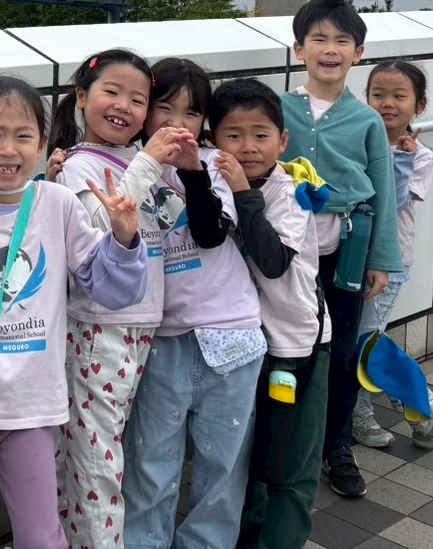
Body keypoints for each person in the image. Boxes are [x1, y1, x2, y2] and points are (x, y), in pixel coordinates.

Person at [0, 74, 149, 549]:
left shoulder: (57, 204)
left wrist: (123, 238)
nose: (8, 149)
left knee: (40, 534)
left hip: (33, 405)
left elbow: (111, 289)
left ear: (41, 144)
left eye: (23, 136)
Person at [122, 58, 267, 549]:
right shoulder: (129, 165)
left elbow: (209, 234)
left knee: (222, 467)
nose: (176, 123)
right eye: (164, 108)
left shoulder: (216, 163)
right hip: (160, 337)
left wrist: (193, 173)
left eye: (191, 112)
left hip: (231, 332)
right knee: (150, 464)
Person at [45, 49, 167, 548]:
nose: (123, 106)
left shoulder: (135, 158)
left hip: (138, 326)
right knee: (97, 462)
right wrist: (149, 162)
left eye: (137, 100)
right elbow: (93, 233)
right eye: (111, 92)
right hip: (97, 327)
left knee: (96, 450)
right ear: (81, 97)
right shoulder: (77, 166)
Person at [279, 0, 399, 498]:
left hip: (344, 250)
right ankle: (283, 442)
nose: (330, 49)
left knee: (342, 348)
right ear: (298, 49)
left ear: (358, 53)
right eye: (319, 39)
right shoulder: (277, 108)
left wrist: (382, 260)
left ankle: (338, 445)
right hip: (282, 251)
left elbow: (384, 191)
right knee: (283, 345)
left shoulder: (366, 119)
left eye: (342, 41)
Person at [207, 79, 329, 549]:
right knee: (248, 457)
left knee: (292, 464)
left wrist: (243, 193)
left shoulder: (292, 189)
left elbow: (273, 261)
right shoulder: (214, 182)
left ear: (283, 140)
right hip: (240, 343)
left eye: (261, 135)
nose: (248, 147)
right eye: (233, 135)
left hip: (295, 344)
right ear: (213, 141)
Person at [352, 61, 433, 450]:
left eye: (399, 96)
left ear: (418, 105)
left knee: (365, 341)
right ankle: (417, 402)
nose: (387, 103)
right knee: (361, 339)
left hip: (389, 261)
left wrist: (402, 160)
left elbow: (396, 201)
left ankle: (409, 405)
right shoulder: (358, 141)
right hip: (349, 254)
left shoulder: (421, 156)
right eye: (378, 95)